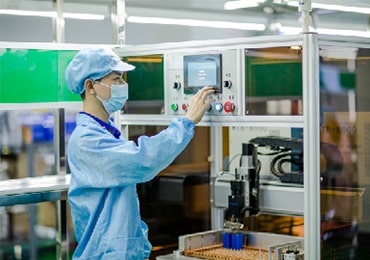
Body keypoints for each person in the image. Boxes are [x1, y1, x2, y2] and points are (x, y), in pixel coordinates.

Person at [64, 47, 215, 259]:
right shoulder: (87, 141)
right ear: (90, 86)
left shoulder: (105, 132)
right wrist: (186, 122)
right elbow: (142, 159)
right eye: (116, 79)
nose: (123, 85)